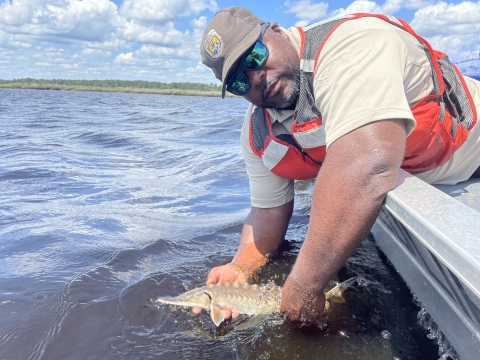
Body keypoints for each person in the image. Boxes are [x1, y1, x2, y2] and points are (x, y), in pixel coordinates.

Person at [198, 7, 480, 323]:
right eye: (238, 82)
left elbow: (365, 165)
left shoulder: (350, 45)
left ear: (276, 31)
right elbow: (267, 210)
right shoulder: (256, 133)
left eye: (254, 57)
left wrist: (304, 287)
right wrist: (240, 268)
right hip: (414, 178)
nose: (255, 77)